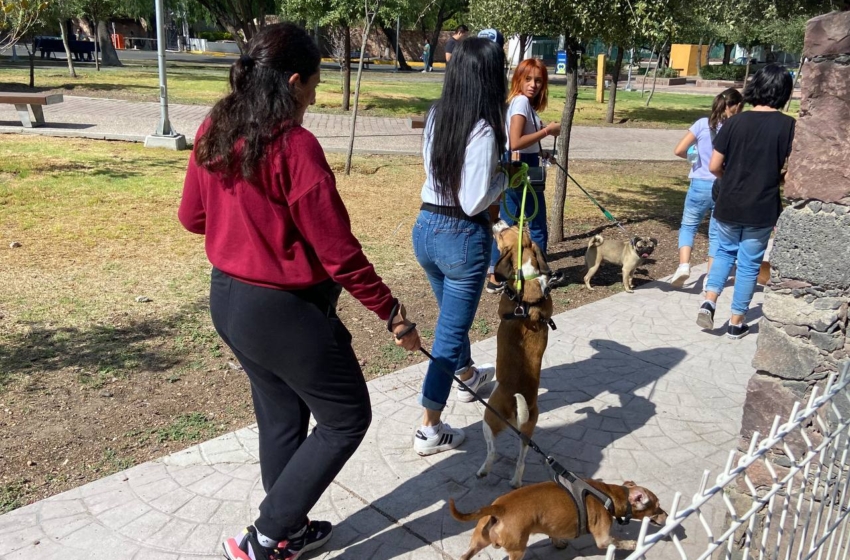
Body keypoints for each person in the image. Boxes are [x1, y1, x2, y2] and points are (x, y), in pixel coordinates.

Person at [178, 23, 421, 560]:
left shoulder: (214, 124)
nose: (314, 98)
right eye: (314, 86)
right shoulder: (295, 146)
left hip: (229, 302)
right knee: (346, 415)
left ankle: (286, 527)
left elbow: (192, 217)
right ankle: (264, 538)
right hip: (283, 313)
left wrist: (246, 229)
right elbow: (340, 254)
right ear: (293, 81)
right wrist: (392, 314)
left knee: (283, 417)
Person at [413, 36, 509, 455]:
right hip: (460, 236)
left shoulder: (437, 113)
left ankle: (468, 376)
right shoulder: (484, 129)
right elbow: (473, 199)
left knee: (452, 323)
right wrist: (505, 178)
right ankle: (429, 428)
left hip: (426, 227)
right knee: (449, 335)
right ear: (489, 78)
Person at [697, 64, 796, 339]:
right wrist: (776, 176)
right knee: (750, 263)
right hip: (762, 206)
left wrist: (730, 179)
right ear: (784, 92)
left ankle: (709, 300)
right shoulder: (789, 126)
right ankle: (736, 322)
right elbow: (794, 169)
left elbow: (715, 165)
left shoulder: (735, 122)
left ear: (755, 87)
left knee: (724, 253)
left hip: (729, 201)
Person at [486, 57, 561, 294]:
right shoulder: (520, 103)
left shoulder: (523, 104)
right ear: (518, 79)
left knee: (509, 223)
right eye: (528, 79)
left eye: (538, 80)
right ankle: (538, 275)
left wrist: (542, 152)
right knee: (533, 223)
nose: (533, 85)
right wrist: (547, 130)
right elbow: (515, 142)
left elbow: (520, 142)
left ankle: (497, 274)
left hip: (522, 164)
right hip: (520, 166)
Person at [670, 88, 743, 288]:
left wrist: (694, 159)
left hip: (698, 185)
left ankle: (684, 265)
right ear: (735, 107)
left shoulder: (702, 124)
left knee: (688, 225)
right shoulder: (736, 127)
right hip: (722, 185)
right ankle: (711, 277)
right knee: (716, 233)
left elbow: (679, 150)